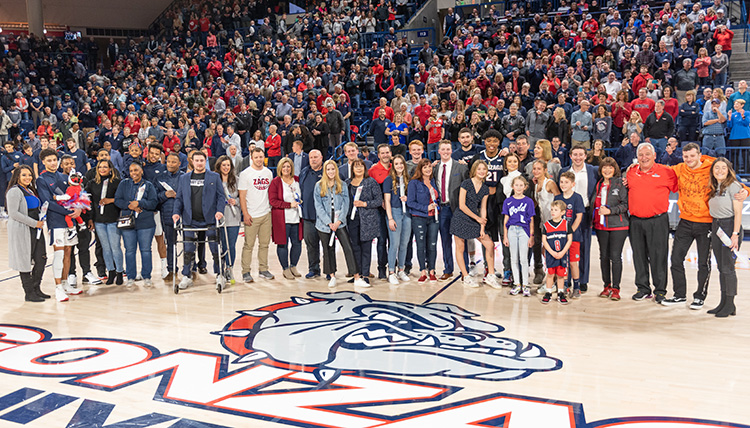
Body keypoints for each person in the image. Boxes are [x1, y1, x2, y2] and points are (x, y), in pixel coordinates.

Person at [626, 143, 678, 303]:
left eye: (647, 154)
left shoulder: (666, 172)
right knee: (639, 256)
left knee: (659, 256)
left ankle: (660, 290)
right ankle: (643, 288)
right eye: (641, 155)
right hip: (635, 221)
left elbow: (678, 188)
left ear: (654, 155)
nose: (644, 158)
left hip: (658, 221)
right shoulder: (631, 172)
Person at [173, 151, 225, 290]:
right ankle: (186, 275)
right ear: (192, 161)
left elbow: (221, 196)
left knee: (215, 248)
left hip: (210, 220)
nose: (199, 163)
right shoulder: (184, 178)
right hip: (190, 220)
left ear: (205, 161)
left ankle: (220, 274)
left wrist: (220, 211)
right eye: (197, 160)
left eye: (202, 160)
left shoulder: (214, 176)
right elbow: (179, 198)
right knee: (188, 250)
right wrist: (176, 213)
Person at [36, 148, 82, 301]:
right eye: (49, 160)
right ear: (43, 162)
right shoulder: (41, 180)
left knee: (69, 252)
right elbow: (47, 202)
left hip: (70, 221)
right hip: (56, 222)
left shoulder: (64, 176)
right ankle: (57, 288)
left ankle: (65, 283)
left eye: (54, 160)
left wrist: (78, 209)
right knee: (59, 253)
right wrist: (69, 212)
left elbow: (76, 196)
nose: (52, 163)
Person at [451, 160, 500, 288]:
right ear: (474, 170)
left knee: (489, 244)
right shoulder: (466, 184)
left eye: (484, 169)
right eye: (479, 169)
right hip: (461, 217)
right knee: (460, 248)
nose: (482, 171)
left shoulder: (485, 189)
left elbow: (483, 208)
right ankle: (465, 276)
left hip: (475, 218)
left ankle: (490, 275)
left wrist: (482, 226)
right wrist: (477, 219)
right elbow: (462, 205)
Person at [314, 159, 358, 289]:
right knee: (328, 249)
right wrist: (328, 222)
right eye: (328, 169)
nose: (331, 171)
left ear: (336, 170)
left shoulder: (342, 184)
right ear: (325, 171)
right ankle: (332, 275)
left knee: (347, 247)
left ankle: (355, 275)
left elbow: (346, 203)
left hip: (340, 222)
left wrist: (339, 221)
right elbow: (318, 206)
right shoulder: (318, 186)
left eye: (333, 169)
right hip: (324, 224)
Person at [559, 146, 598, 293]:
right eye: (575, 154)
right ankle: (566, 279)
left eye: (581, 154)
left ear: (585, 156)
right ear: (570, 156)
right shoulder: (564, 172)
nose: (578, 157)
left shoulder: (593, 170)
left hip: (585, 213)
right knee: (566, 246)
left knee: (584, 248)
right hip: (567, 214)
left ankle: (582, 280)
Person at [707, 158, 743, 318]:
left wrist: (735, 234)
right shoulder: (715, 186)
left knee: (728, 268)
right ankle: (724, 302)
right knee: (721, 267)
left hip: (729, 227)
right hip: (717, 227)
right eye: (716, 168)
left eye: (723, 168)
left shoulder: (733, 186)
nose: (719, 170)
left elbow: (738, 212)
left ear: (729, 170)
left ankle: (729, 303)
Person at [7, 165, 48, 302]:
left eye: (29, 175)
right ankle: (29, 293)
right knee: (25, 262)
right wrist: (34, 223)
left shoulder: (30, 189)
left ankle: (37, 288)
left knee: (41, 259)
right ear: (17, 176)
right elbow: (13, 213)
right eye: (24, 175)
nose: (27, 177)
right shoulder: (14, 191)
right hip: (23, 230)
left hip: (36, 229)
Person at [115, 161, 159, 288]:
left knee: (145, 250)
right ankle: (130, 276)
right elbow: (118, 200)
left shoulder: (149, 185)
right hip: (128, 223)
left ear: (141, 171)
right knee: (129, 251)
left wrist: (140, 204)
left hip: (146, 223)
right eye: (131, 170)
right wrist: (130, 205)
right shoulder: (124, 184)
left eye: (136, 170)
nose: (133, 173)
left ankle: (146, 276)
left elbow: (153, 203)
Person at [592, 157, 629, 301]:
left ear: (615, 170)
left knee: (615, 256)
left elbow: (626, 205)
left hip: (618, 226)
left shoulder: (620, 184)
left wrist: (610, 211)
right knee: (604, 256)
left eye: (610, 167)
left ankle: (616, 288)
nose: (607, 170)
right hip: (601, 226)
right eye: (604, 167)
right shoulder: (599, 184)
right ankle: (606, 286)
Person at [434, 140, 469, 281]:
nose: (446, 151)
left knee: (461, 240)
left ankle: (464, 270)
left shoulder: (460, 167)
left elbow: (468, 188)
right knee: (445, 240)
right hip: (442, 209)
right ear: (439, 151)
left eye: (448, 149)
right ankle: (448, 269)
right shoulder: (435, 167)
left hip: (457, 209)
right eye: (443, 149)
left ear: (451, 150)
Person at [238, 148, 275, 283]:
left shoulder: (268, 173)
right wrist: (245, 214)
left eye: (261, 157)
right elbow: (242, 196)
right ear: (252, 158)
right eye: (256, 157)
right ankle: (246, 271)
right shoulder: (245, 174)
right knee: (249, 245)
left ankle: (263, 269)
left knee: (264, 244)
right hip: (252, 215)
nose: (259, 159)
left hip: (266, 213)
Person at [85, 160, 123, 285]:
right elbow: (88, 201)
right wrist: (90, 218)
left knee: (115, 247)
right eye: (100, 167)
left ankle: (119, 271)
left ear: (110, 169)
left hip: (113, 219)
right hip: (99, 220)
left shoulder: (117, 183)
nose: (102, 169)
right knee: (105, 248)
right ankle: (110, 272)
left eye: (105, 167)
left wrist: (110, 200)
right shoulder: (92, 183)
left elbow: (122, 199)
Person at [346, 158, 382, 287]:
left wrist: (364, 204)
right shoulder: (348, 183)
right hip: (352, 220)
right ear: (352, 169)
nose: (359, 168)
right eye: (356, 166)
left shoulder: (370, 182)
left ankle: (365, 275)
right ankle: (357, 274)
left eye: (361, 166)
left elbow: (379, 200)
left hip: (368, 220)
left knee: (366, 248)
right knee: (354, 247)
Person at [267, 157, 304, 280]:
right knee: (282, 244)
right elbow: (273, 201)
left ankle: (293, 266)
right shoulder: (276, 182)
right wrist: (289, 205)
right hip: (282, 219)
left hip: (297, 218)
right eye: (284, 166)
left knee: (297, 243)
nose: (286, 169)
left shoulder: (297, 180)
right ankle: (285, 268)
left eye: (288, 166)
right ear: (280, 168)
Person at [408, 158, 440, 284]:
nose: (428, 169)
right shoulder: (414, 183)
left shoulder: (433, 181)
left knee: (432, 245)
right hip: (419, 217)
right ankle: (422, 271)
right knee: (421, 245)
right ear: (420, 169)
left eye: (429, 167)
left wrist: (436, 207)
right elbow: (410, 202)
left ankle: (432, 271)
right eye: (425, 167)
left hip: (434, 218)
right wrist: (425, 208)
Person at [503, 175, 535, 297]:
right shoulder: (508, 201)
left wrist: (531, 235)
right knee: (513, 258)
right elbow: (505, 220)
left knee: (523, 258)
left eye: (521, 185)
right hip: (511, 230)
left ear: (525, 187)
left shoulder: (528, 201)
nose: (519, 187)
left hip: (524, 231)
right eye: (516, 185)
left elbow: (531, 219)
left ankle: (525, 284)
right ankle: (517, 284)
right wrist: (505, 236)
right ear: (512, 186)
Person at [155, 153, 183, 281]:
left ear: (179, 164)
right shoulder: (160, 178)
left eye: (174, 162)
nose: (170, 164)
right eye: (169, 162)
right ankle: (171, 269)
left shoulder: (185, 177)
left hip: (185, 215)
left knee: (189, 243)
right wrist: (165, 195)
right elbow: (155, 197)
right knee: (171, 243)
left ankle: (191, 268)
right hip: (167, 215)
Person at [383, 155, 411, 285]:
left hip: (407, 213)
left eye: (401, 163)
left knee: (404, 243)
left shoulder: (408, 179)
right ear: (393, 166)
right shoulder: (389, 180)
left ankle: (401, 269)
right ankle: (391, 272)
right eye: (396, 164)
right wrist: (390, 218)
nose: (399, 166)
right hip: (394, 211)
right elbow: (387, 201)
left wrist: (408, 199)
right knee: (394, 243)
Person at [541, 200, 572, 305]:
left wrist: (563, 252)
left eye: (556, 210)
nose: (553, 212)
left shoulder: (566, 225)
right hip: (551, 254)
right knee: (550, 274)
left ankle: (560, 293)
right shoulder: (546, 225)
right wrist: (551, 252)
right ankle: (548, 292)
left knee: (560, 275)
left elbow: (569, 240)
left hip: (562, 254)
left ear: (562, 212)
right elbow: (544, 240)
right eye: (552, 209)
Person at [215, 155, 241, 280]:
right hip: (218, 217)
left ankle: (229, 268)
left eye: (228, 165)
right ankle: (219, 269)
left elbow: (243, 198)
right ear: (219, 166)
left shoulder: (237, 180)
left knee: (230, 245)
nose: (226, 167)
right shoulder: (214, 179)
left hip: (233, 217)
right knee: (220, 245)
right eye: (223, 165)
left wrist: (236, 202)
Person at [299, 149, 324, 279]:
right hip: (308, 216)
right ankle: (313, 269)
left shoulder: (327, 171)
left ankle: (329, 271)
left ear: (321, 157)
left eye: (316, 157)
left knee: (327, 246)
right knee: (311, 245)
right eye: (311, 157)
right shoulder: (304, 172)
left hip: (324, 217)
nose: (313, 159)